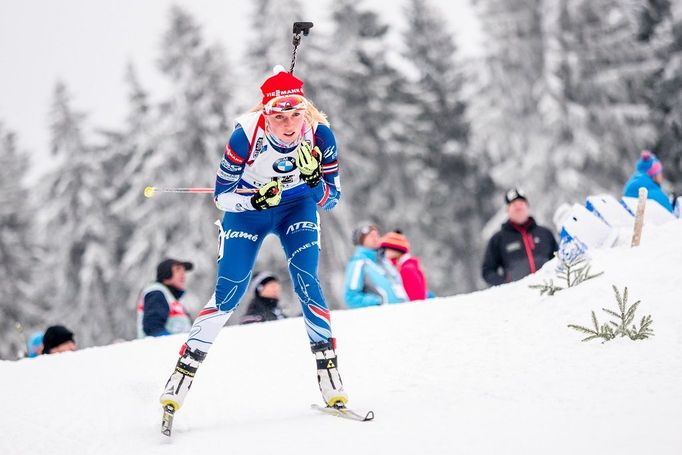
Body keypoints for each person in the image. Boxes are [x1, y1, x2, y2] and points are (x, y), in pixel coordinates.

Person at [159, 65, 347, 421]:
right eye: (280, 117)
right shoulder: (246, 135)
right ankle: (180, 377)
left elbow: (331, 199)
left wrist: (313, 183)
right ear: (266, 114)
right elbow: (221, 197)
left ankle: (329, 375)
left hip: (297, 207)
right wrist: (254, 201)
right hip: (249, 211)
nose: (289, 125)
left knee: (307, 281)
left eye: (295, 114)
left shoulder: (320, 135)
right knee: (229, 291)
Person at [482, 188, 558, 286]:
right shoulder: (498, 239)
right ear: (507, 210)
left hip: (550, 289)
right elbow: (487, 271)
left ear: (527, 206)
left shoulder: (545, 233)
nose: (518, 208)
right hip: (519, 296)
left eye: (521, 204)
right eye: (514, 205)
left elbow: (559, 260)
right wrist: (506, 285)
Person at [344, 222, 409, 308]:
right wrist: (378, 302)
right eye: (371, 236)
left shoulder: (384, 261)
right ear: (361, 240)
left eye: (377, 235)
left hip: (401, 313)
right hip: (380, 317)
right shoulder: (358, 263)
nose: (376, 238)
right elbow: (351, 297)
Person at [137, 258, 194, 338]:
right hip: (161, 349)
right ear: (166, 273)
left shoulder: (173, 298)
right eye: (178, 270)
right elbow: (153, 328)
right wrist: (174, 343)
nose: (183, 274)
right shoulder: (156, 292)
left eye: (184, 271)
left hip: (175, 348)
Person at [379, 230, 429, 301]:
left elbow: (415, 300)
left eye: (385, 249)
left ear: (395, 250)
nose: (384, 252)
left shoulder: (407, 270)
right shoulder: (408, 267)